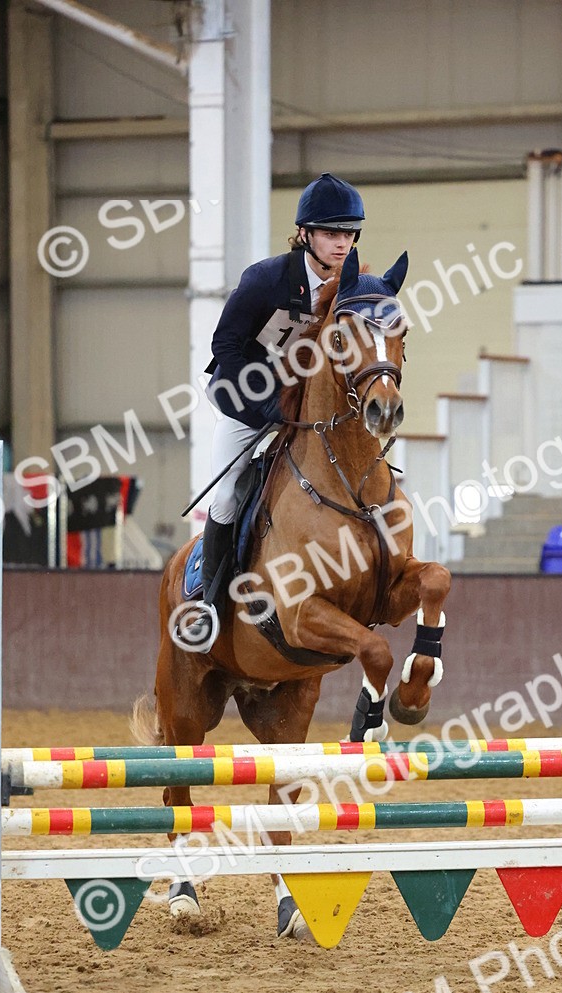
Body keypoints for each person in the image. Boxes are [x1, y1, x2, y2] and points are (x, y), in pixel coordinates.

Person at [188, 172, 366, 651]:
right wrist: (265, 403)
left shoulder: (348, 286)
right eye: (332, 233)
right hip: (247, 403)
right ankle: (208, 602)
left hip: (307, 411)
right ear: (305, 234)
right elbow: (224, 343)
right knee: (225, 497)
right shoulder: (266, 279)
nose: (342, 243)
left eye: (349, 234)